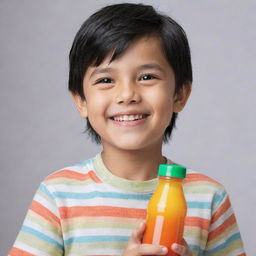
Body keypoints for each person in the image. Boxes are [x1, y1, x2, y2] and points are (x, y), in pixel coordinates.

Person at [9, 3, 246, 256]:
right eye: (106, 80)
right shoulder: (59, 195)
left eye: (147, 77)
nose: (127, 95)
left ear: (179, 95)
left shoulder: (209, 198)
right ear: (81, 101)